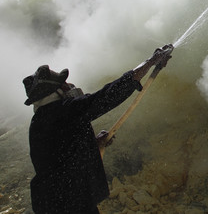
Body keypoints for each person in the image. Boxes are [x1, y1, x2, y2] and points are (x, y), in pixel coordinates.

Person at [22, 44, 174, 214]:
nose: (68, 85)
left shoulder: (42, 119)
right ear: (54, 92)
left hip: (59, 201)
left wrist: (93, 144)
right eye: (63, 84)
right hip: (68, 203)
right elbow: (106, 96)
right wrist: (150, 62)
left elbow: (60, 153)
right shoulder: (61, 111)